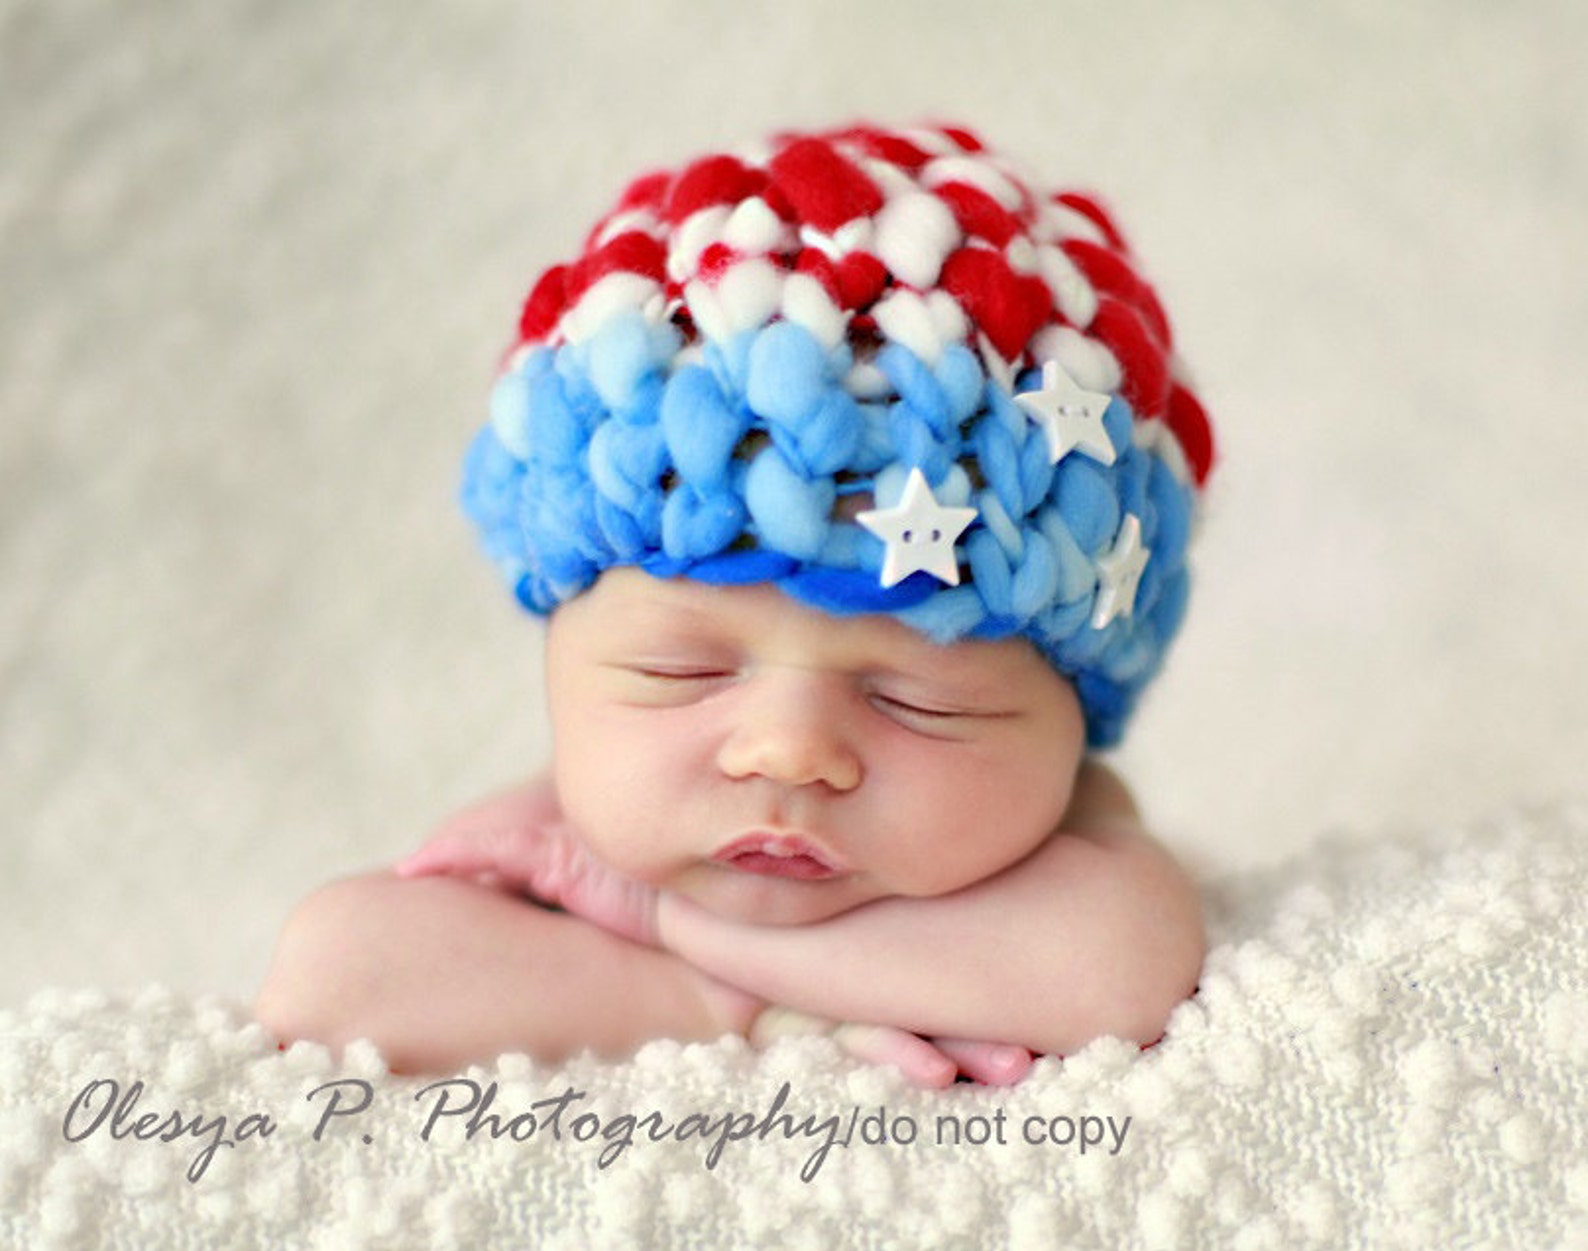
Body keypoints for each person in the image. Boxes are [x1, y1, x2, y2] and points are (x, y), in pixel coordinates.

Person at [255, 122, 1216, 1088]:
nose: (788, 751)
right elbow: (335, 976)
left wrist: (658, 921)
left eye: (920, 700)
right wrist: (715, 1003)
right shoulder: (555, 832)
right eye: (683, 672)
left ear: (1075, 717)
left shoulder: (1074, 840)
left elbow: (1121, 966)